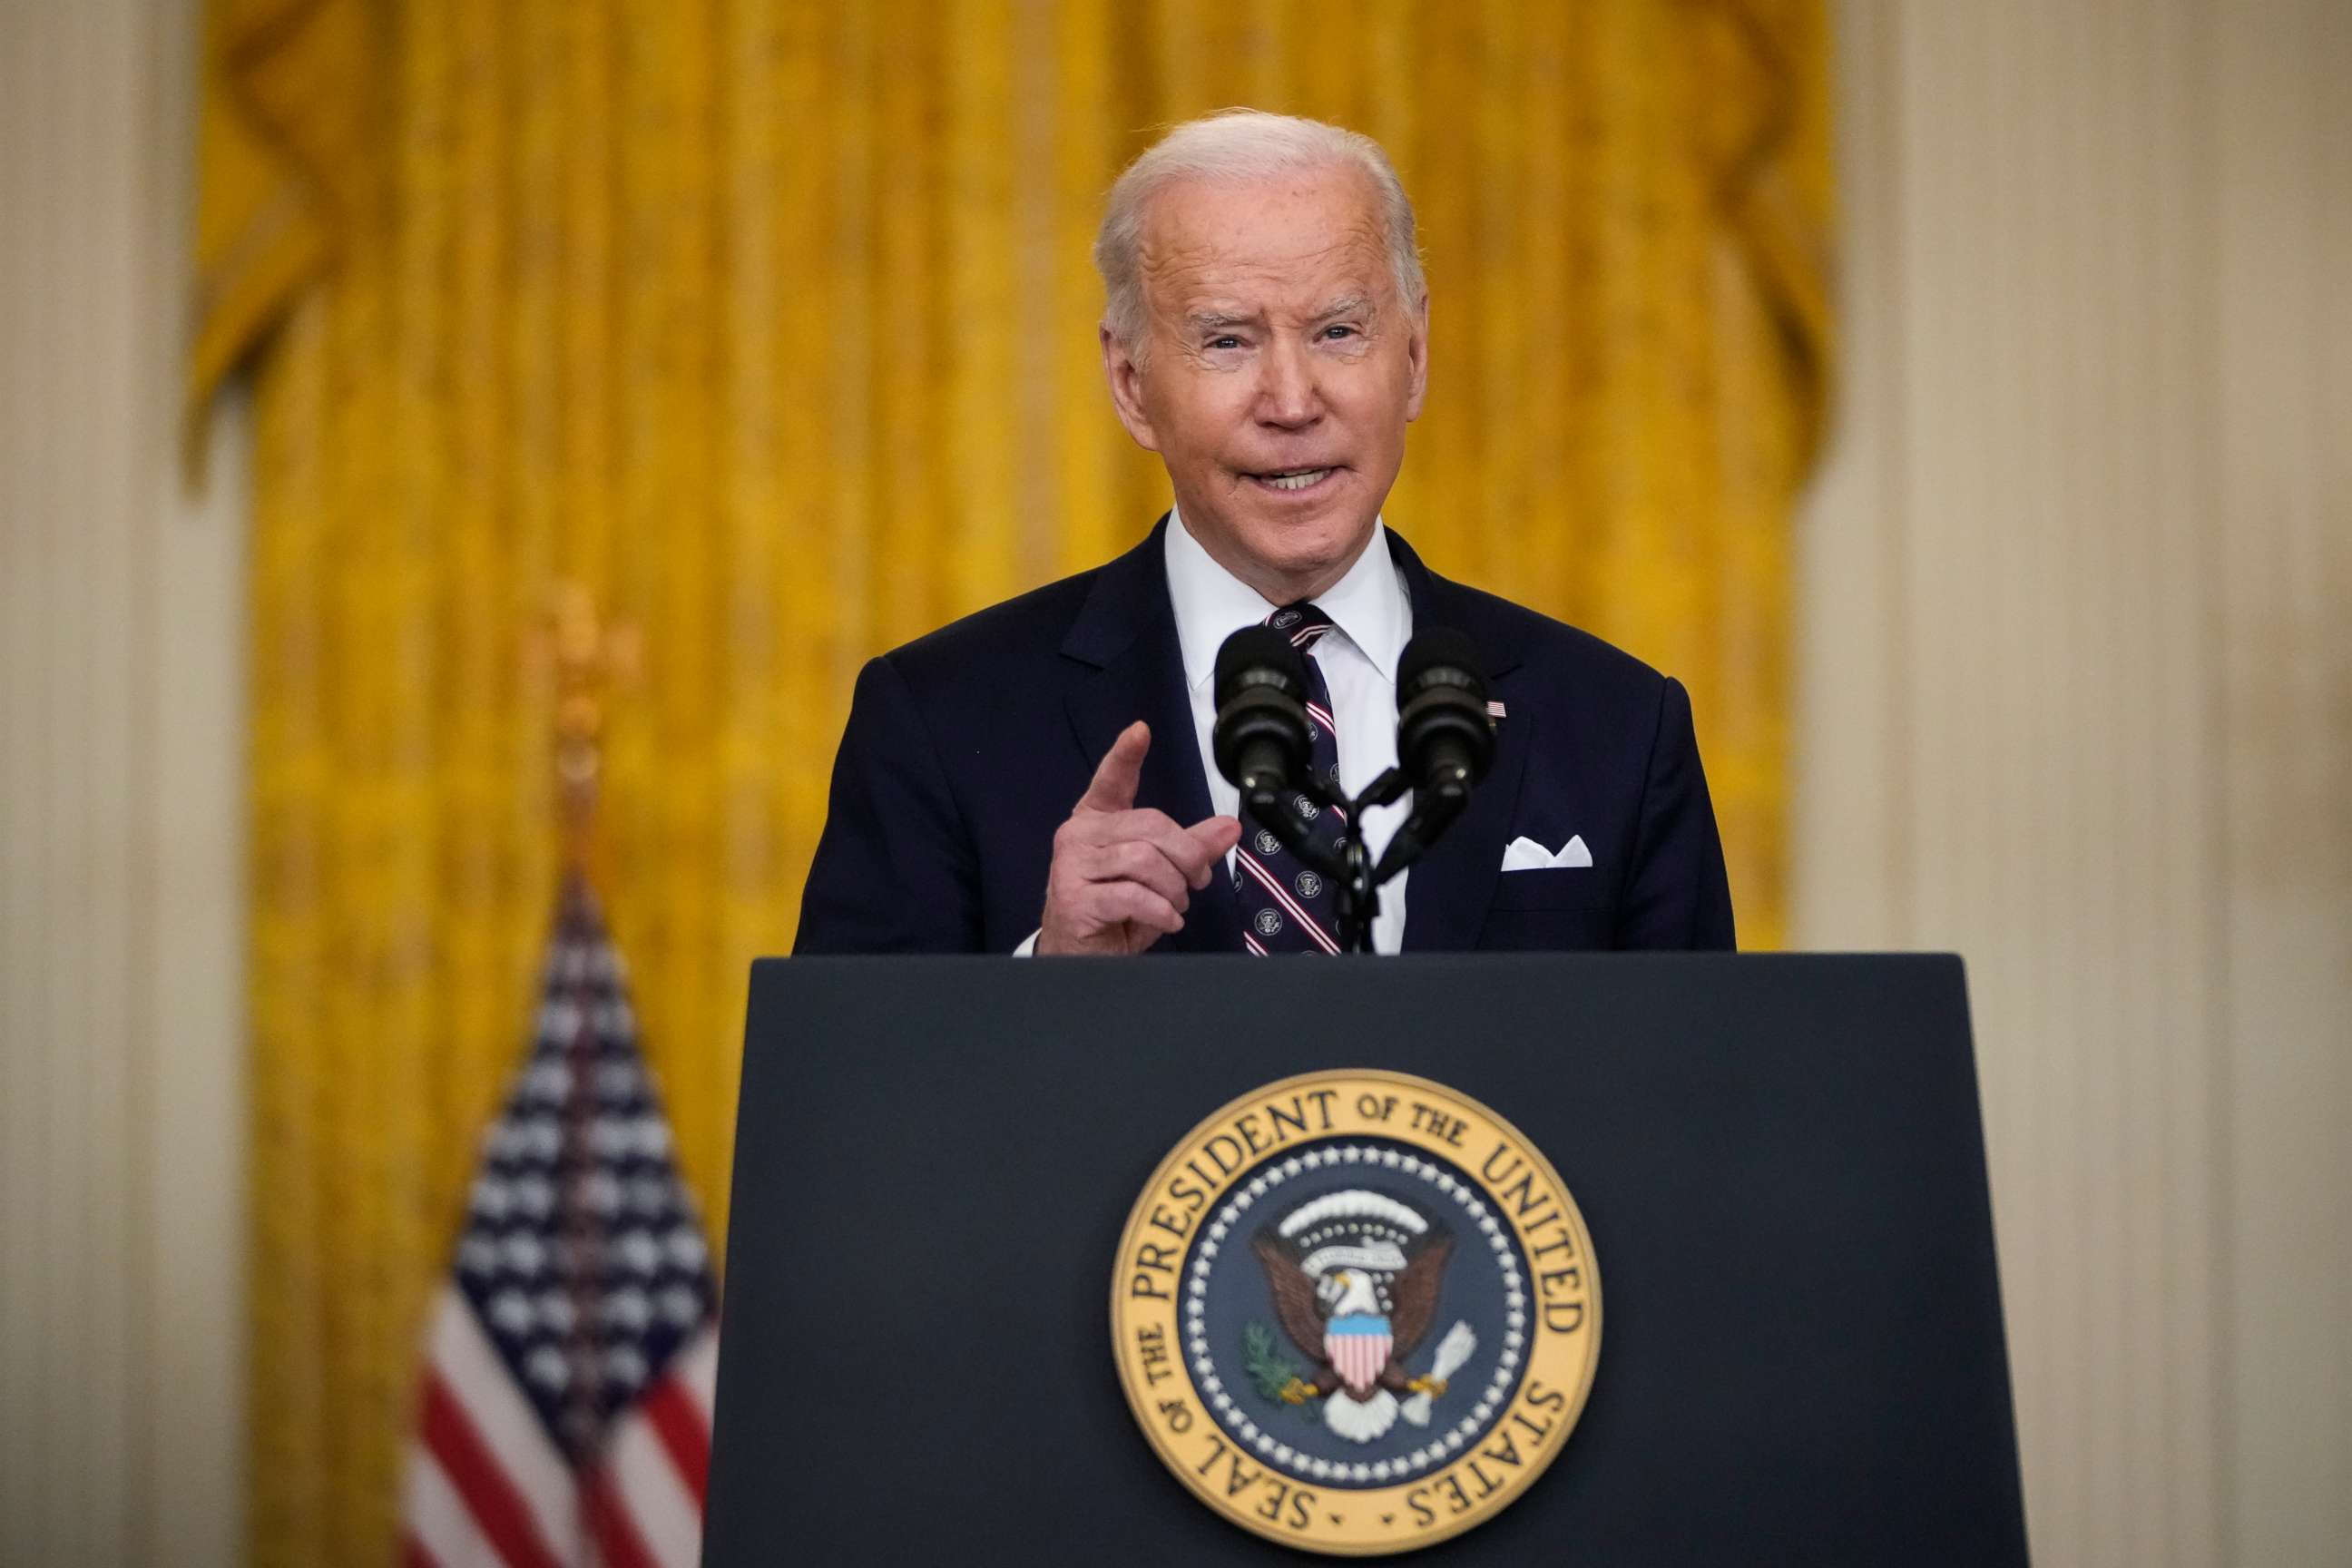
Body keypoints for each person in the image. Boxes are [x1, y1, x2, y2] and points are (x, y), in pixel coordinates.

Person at [795, 110, 1733, 956]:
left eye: (1337, 332)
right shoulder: (941, 719)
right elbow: (845, 1123)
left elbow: (1703, 1111)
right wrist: (1048, 981)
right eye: (1227, 341)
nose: (1291, 402)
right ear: (1131, 384)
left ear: (1413, 358)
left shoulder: (1615, 727)